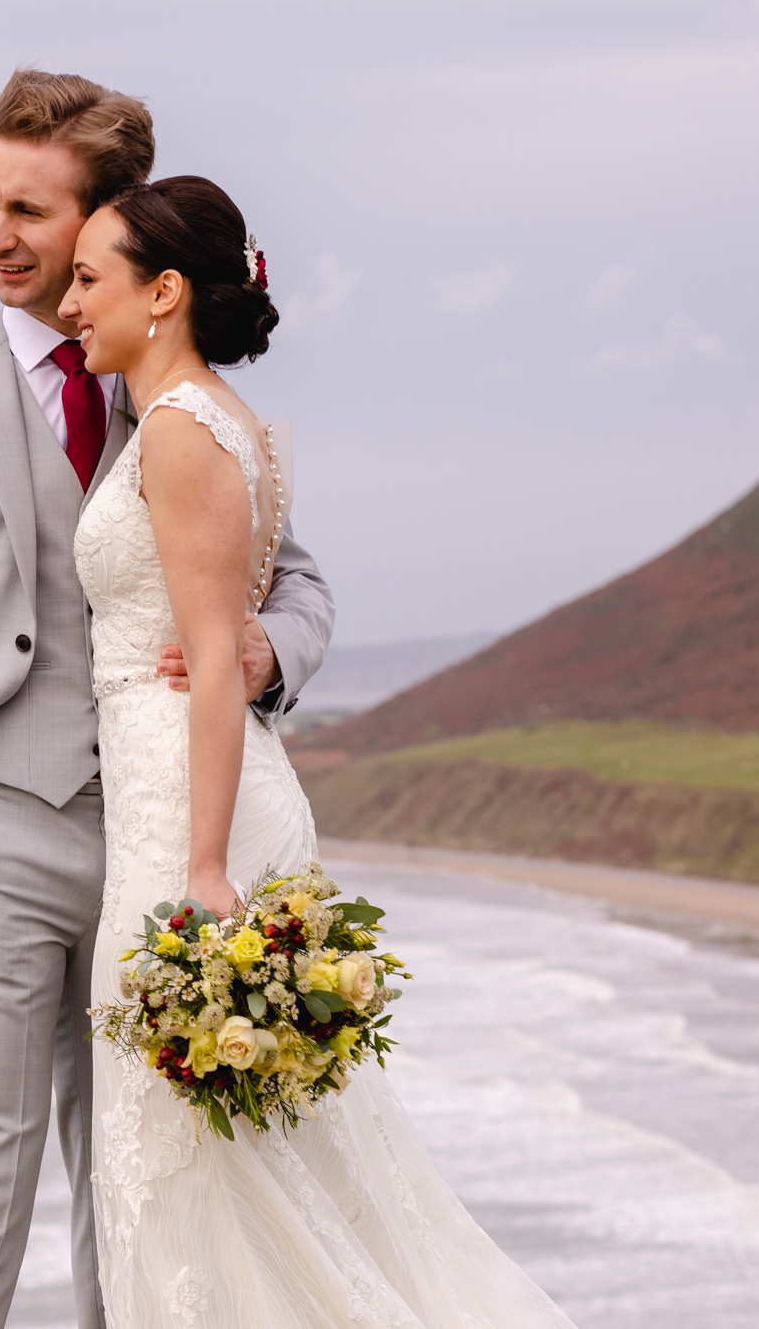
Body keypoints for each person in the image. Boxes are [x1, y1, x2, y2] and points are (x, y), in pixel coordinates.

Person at [0, 70, 335, 1329]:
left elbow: (297, 578)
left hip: (146, 841)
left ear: (106, 220)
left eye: (31, 213)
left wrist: (268, 655)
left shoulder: (170, 388)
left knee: (140, 1190)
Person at [61, 176, 579, 1327]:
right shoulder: (217, 423)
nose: (68, 301)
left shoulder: (184, 436)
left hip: (188, 819)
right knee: (243, 1161)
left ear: (163, 293)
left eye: (90, 279)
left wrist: (199, 874)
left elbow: (204, 664)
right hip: (196, 794)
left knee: (188, 1159)